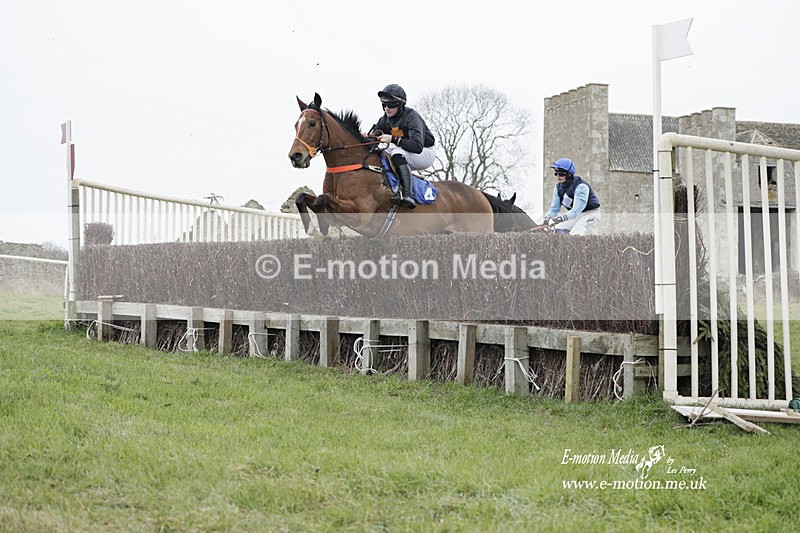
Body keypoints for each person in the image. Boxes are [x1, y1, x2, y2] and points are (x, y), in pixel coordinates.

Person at [368, 84, 436, 209]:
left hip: (425, 152)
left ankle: (407, 195)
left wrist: (393, 138)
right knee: (382, 153)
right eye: (384, 104)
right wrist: (366, 138)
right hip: (405, 149)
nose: (387, 108)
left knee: (397, 153)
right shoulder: (384, 119)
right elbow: (373, 139)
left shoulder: (411, 117)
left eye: (391, 105)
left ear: (400, 105)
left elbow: (417, 146)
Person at [542, 157, 601, 235]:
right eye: (556, 173)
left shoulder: (581, 186)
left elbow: (576, 210)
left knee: (576, 232)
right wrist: (547, 219)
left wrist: (559, 219)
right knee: (557, 229)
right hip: (577, 215)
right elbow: (554, 209)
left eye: (561, 174)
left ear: (569, 174)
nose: (558, 177)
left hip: (591, 214)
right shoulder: (557, 188)